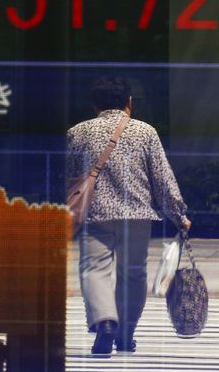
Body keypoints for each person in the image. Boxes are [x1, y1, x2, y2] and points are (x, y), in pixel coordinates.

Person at [66, 76, 191, 356]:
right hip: (137, 214)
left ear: (94, 104)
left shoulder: (77, 132)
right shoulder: (146, 132)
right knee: (133, 274)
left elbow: (71, 176)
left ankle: (105, 322)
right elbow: (162, 178)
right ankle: (125, 334)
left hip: (94, 213)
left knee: (94, 269)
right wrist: (178, 214)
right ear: (129, 103)